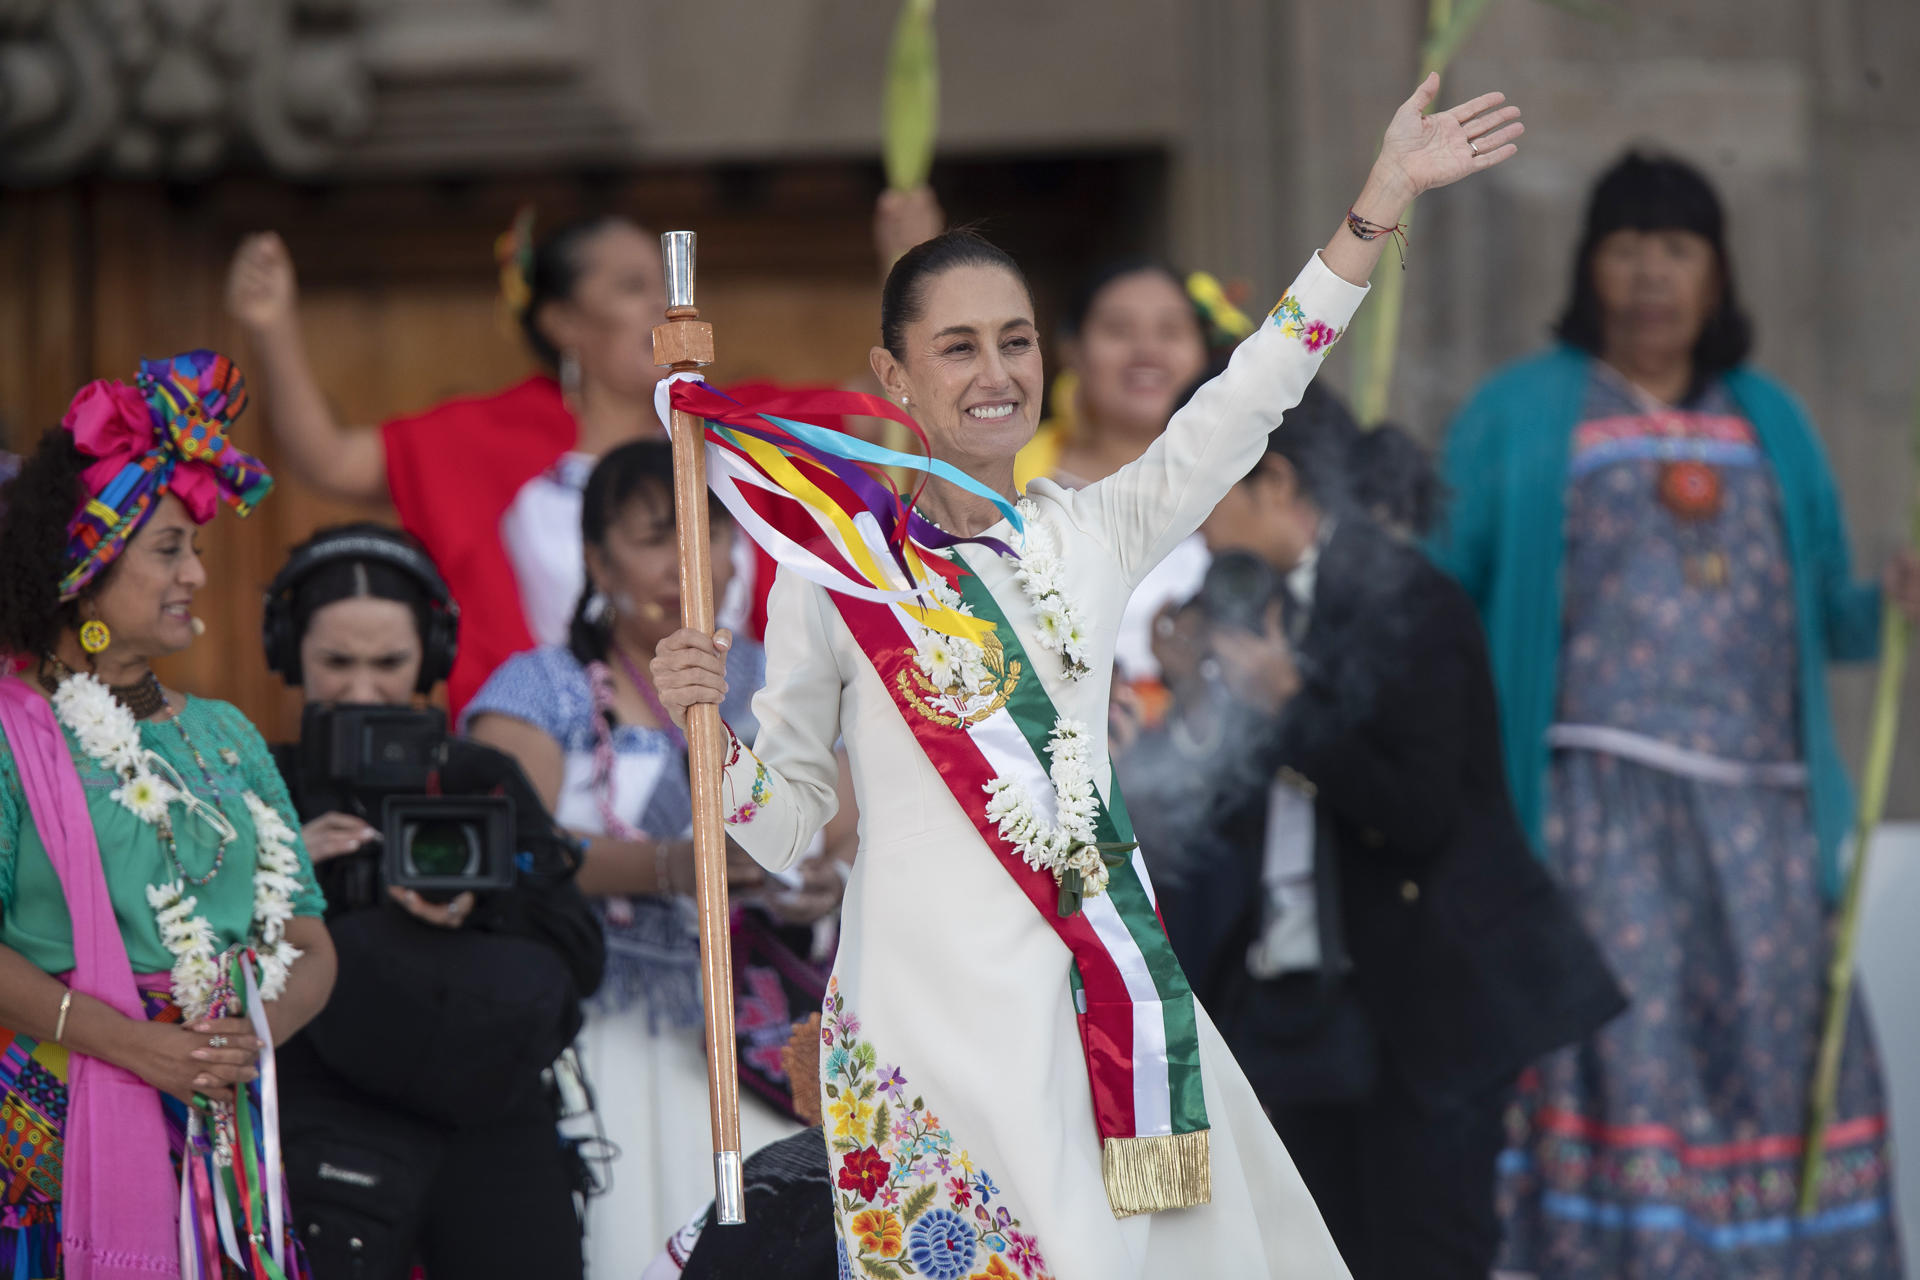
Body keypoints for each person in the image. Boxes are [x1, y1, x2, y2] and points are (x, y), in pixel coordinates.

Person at [653, 75, 1523, 1277]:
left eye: (1014, 340)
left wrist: (1378, 201)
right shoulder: (830, 575)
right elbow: (784, 821)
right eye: (956, 346)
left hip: (1095, 1004)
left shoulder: (1092, 532)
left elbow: (1253, 392)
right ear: (892, 377)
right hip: (920, 1028)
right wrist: (708, 733)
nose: (994, 370)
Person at [1432, 151, 1920, 1276]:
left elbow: (1825, 615)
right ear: (1588, 265)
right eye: (1626, 245)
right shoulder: (1519, 412)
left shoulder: (1774, 422)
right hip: (1595, 811)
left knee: (1773, 1046)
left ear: (1719, 272)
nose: (1651, 273)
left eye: (1678, 247)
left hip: (1763, 817)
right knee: (1621, 1051)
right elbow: (1445, 594)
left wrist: (1887, 604)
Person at [1166, 387, 1624, 1278]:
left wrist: (1286, 707)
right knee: (1300, 1255)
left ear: (1275, 480)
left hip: (1422, 1006)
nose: (1187, 521)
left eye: (1203, 487)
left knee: (1421, 1254)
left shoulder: (1409, 598)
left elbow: (1417, 815)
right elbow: (1214, 820)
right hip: (1292, 1000)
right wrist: (1196, 701)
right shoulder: (1255, 601)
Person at [225, 191, 946, 716]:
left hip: (746, 752)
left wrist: (909, 262)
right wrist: (272, 326)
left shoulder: (740, 425)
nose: (667, 305)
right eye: (634, 288)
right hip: (550, 767)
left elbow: (895, 400)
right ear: (564, 322)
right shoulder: (492, 440)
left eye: (671, 286)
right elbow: (326, 460)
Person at [463, 441, 849, 1271]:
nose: (688, 561)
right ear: (597, 562)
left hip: (765, 1032)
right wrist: (675, 868)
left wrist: (825, 879)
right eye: (654, 538)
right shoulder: (543, 687)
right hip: (607, 1029)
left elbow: (854, 817)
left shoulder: (782, 674)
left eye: (707, 533)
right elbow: (508, 846)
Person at [0, 351, 335, 1276]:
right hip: (60, 1118)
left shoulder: (228, 732)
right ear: (87, 569)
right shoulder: (12, 733)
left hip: (226, 1117)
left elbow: (309, 937)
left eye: (194, 547)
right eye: (167, 549)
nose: (193, 572)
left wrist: (244, 1037)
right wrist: (141, 1048)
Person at [261, 523, 604, 1279]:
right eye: (335, 663)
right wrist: (282, 876)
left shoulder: (480, 777)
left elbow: (578, 953)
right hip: (326, 1139)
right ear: (289, 653)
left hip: (494, 1141)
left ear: (434, 656)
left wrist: (474, 904)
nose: (361, 690)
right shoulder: (256, 780)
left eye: (389, 663)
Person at [1010, 260, 1221, 684]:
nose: (1147, 351)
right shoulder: (1008, 474)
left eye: (1171, 332)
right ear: (1071, 350)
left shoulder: (1239, 479)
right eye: (1119, 331)